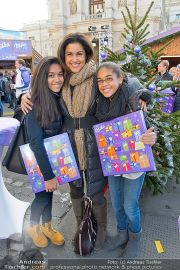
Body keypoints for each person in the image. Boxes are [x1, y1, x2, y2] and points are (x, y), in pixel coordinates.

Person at [21, 33, 150, 252]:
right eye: (69, 54)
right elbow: (44, 91)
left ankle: (99, 232)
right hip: (68, 143)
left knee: (97, 191)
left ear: (87, 54)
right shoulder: (62, 79)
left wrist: (143, 95)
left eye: (79, 53)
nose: (74, 59)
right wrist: (25, 95)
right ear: (64, 56)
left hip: (96, 142)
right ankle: (82, 229)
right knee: (76, 191)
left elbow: (126, 81)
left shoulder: (95, 75)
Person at [95, 62, 156, 258]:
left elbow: (150, 129)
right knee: (117, 203)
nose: (104, 84)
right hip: (114, 163)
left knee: (130, 205)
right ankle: (122, 234)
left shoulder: (133, 100)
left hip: (134, 164)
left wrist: (151, 138)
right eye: (100, 81)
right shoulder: (100, 103)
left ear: (121, 79)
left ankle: (135, 238)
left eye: (109, 79)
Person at [25, 56, 65, 248]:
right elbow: (36, 144)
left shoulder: (58, 97)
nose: (56, 79)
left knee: (48, 195)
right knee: (41, 197)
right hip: (40, 163)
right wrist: (48, 175)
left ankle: (47, 226)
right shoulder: (35, 103)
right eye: (50, 75)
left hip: (53, 160)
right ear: (42, 77)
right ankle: (33, 227)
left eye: (59, 74)